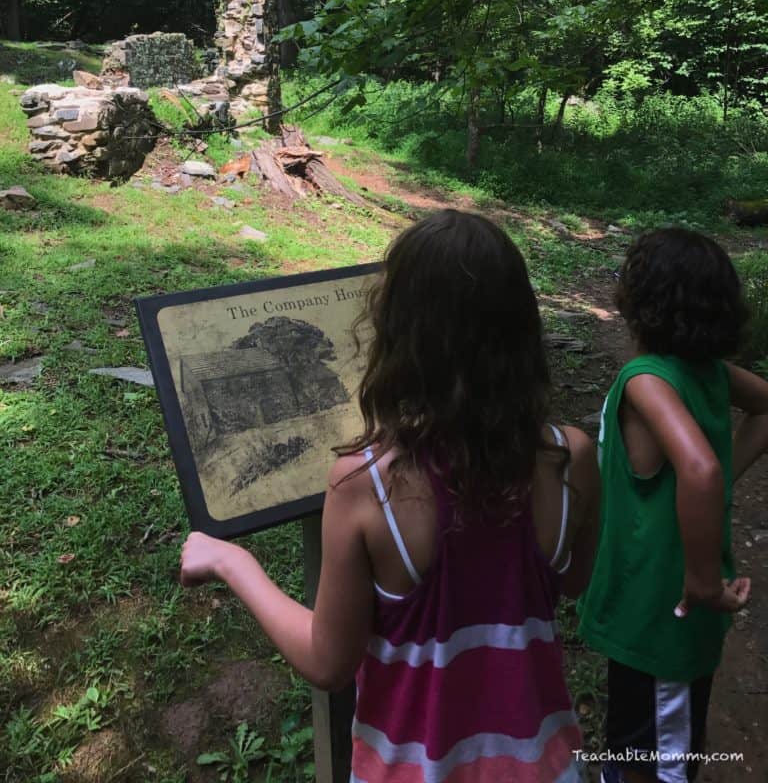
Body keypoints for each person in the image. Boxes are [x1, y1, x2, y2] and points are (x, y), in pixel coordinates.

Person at [180, 208, 601, 782]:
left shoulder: (366, 484)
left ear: (399, 333)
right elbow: (574, 580)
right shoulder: (572, 455)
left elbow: (328, 663)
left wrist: (233, 561)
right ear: (521, 327)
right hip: (547, 763)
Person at [578, 227, 768, 783]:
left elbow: (700, 470)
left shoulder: (646, 380)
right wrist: (723, 476)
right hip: (645, 610)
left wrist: (704, 580)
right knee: (645, 742)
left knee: (656, 762)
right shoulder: (708, 374)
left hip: (664, 611)